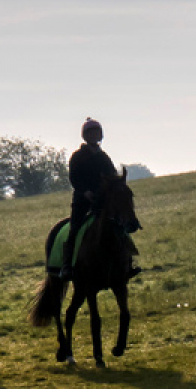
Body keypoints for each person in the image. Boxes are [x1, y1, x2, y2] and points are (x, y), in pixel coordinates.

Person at [60, 118, 138, 279]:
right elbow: (74, 178)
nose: (94, 135)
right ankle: (67, 265)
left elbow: (111, 175)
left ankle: (128, 262)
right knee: (75, 228)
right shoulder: (78, 157)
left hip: (103, 200)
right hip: (83, 200)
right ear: (85, 136)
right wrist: (85, 192)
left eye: (96, 132)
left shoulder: (104, 157)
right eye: (91, 133)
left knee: (119, 225)